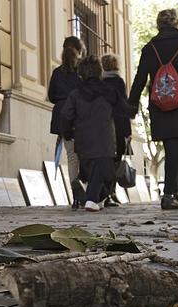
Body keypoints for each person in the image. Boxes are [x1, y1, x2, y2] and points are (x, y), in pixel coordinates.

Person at [127, 9, 178, 210]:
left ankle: (172, 192)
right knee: (175, 147)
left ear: (159, 25)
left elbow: (140, 79)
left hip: (159, 105)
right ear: (176, 23)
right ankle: (169, 194)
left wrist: (132, 106)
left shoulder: (150, 48)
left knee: (171, 146)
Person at [62, 55, 119, 212]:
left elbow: (66, 115)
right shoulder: (109, 92)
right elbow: (121, 112)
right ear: (99, 72)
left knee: (91, 172)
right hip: (105, 140)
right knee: (105, 174)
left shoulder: (75, 94)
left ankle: (87, 192)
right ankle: (91, 199)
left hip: (83, 141)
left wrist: (67, 133)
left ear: (80, 74)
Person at [48, 36, 86, 209]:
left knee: (71, 157)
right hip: (80, 115)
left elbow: (52, 96)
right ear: (79, 51)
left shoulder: (57, 72)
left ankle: (75, 195)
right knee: (85, 155)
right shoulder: (83, 72)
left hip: (63, 115)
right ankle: (86, 190)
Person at [101, 54, 132, 206]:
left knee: (105, 159)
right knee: (116, 160)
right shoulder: (118, 81)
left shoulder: (99, 81)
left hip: (103, 125)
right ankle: (111, 192)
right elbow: (123, 105)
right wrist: (128, 131)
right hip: (119, 125)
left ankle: (106, 192)